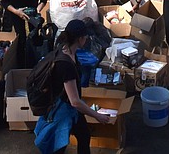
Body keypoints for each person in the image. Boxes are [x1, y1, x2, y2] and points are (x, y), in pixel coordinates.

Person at [33, 18, 114, 154]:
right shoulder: (66, 65)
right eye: (85, 37)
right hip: (62, 111)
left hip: (68, 108)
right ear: (80, 38)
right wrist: (96, 115)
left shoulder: (65, 49)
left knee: (84, 135)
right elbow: (75, 102)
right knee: (58, 146)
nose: (87, 39)